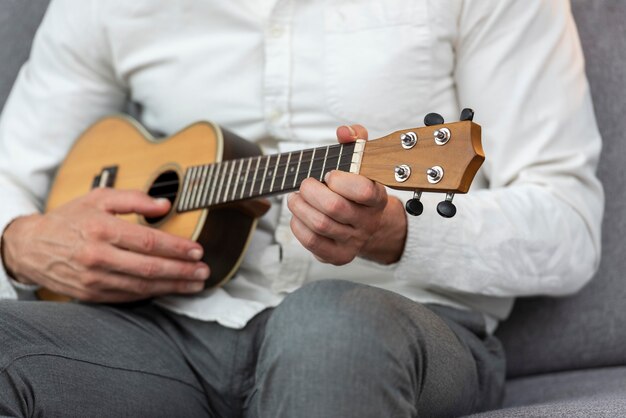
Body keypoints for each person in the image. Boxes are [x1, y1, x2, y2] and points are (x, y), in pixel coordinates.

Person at [0, 0, 603, 416]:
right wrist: (20, 242)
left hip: (394, 325)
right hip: (168, 332)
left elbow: (567, 224)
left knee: (325, 329)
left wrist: (397, 233)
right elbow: (11, 168)